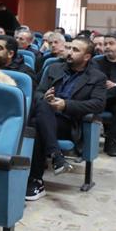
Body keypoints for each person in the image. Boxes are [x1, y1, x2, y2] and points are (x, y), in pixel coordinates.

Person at [26, 37, 106, 201]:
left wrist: (66, 105)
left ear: (87, 57)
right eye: (69, 48)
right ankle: (56, 157)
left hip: (69, 122)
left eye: (75, 50)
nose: (69, 52)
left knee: (35, 123)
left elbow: (98, 105)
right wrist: (45, 97)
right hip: (46, 116)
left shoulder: (97, 77)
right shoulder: (54, 68)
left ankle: (36, 179)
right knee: (41, 110)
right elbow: (38, 92)